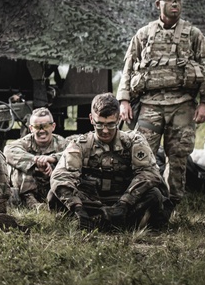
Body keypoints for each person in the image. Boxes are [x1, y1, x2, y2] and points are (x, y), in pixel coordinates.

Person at [117, 0, 205, 205]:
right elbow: (128, 66)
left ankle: (171, 205)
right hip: (150, 105)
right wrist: (124, 99)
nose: (175, 4)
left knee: (178, 157)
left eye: (178, 0)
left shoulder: (193, 35)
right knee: (141, 155)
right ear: (158, 4)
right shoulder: (144, 34)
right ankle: (141, 201)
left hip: (182, 105)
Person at [49, 93, 172, 230]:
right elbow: (60, 176)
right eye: (99, 124)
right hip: (91, 201)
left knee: (154, 195)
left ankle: (103, 222)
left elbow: (150, 173)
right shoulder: (80, 144)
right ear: (91, 119)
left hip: (125, 200)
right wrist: (77, 207)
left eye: (111, 124)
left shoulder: (134, 141)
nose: (105, 130)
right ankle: (98, 220)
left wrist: (125, 203)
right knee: (54, 195)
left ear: (119, 119)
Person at [4, 107, 68, 208]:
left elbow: (74, 153)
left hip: (52, 186)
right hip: (28, 188)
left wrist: (52, 158)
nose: (42, 131)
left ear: (53, 126)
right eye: (38, 127)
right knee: (18, 163)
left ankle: (58, 203)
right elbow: (8, 150)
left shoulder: (62, 143)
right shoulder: (26, 142)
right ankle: (31, 203)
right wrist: (34, 160)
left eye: (46, 126)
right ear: (31, 129)